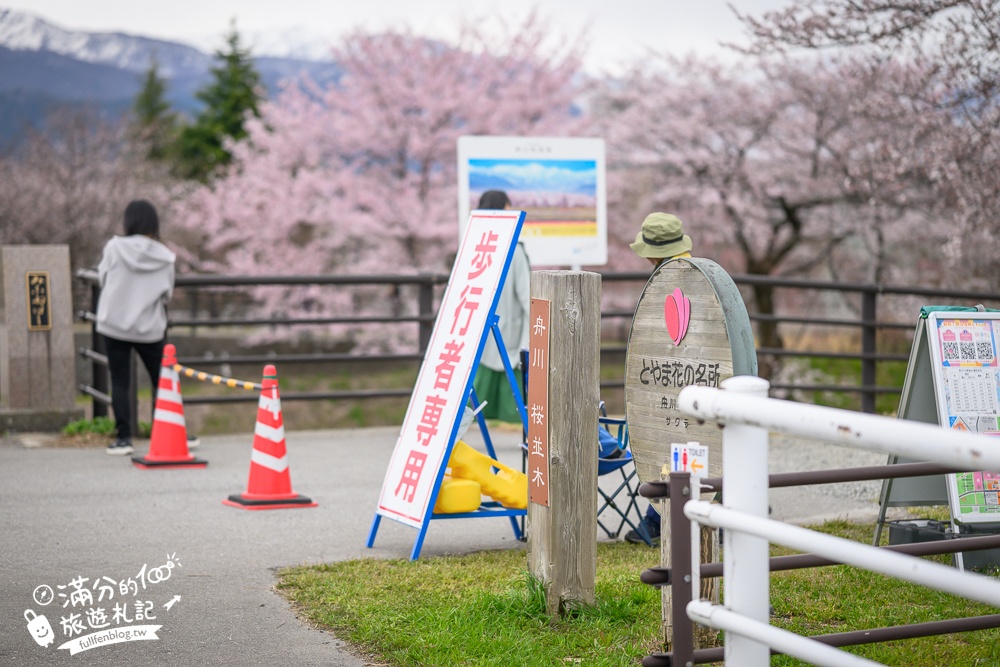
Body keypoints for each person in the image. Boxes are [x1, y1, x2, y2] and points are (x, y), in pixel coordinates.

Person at [96, 200, 196, 455]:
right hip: (149, 327)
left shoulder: (114, 247)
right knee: (163, 380)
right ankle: (171, 432)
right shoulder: (164, 256)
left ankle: (123, 438)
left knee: (119, 381)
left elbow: (102, 278)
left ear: (129, 221)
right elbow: (166, 294)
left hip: (114, 323)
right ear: (153, 223)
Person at [624, 212, 693, 545]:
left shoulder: (671, 277)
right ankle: (660, 517)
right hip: (688, 374)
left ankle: (657, 520)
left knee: (676, 444)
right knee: (683, 446)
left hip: (679, 376)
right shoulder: (693, 271)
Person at [471, 190, 531, 424]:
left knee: (474, 395)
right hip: (511, 332)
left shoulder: (475, 247)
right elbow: (527, 296)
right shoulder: (514, 250)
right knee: (517, 398)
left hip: (482, 333)